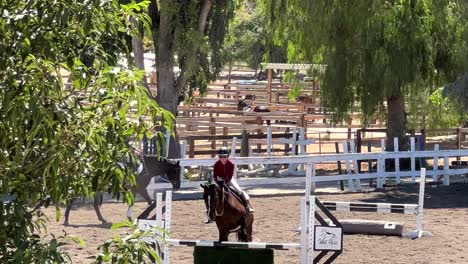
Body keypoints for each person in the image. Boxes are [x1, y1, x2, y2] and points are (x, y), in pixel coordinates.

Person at [213, 147, 255, 214]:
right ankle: (210, 210)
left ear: (227, 156)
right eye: (220, 157)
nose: (222, 158)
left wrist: (225, 182)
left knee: (239, 190)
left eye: (224, 156)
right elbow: (215, 176)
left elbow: (229, 176)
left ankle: (248, 206)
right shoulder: (216, 164)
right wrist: (218, 181)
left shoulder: (231, 164)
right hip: (219, 180)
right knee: (212, 193)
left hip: (228, 179)